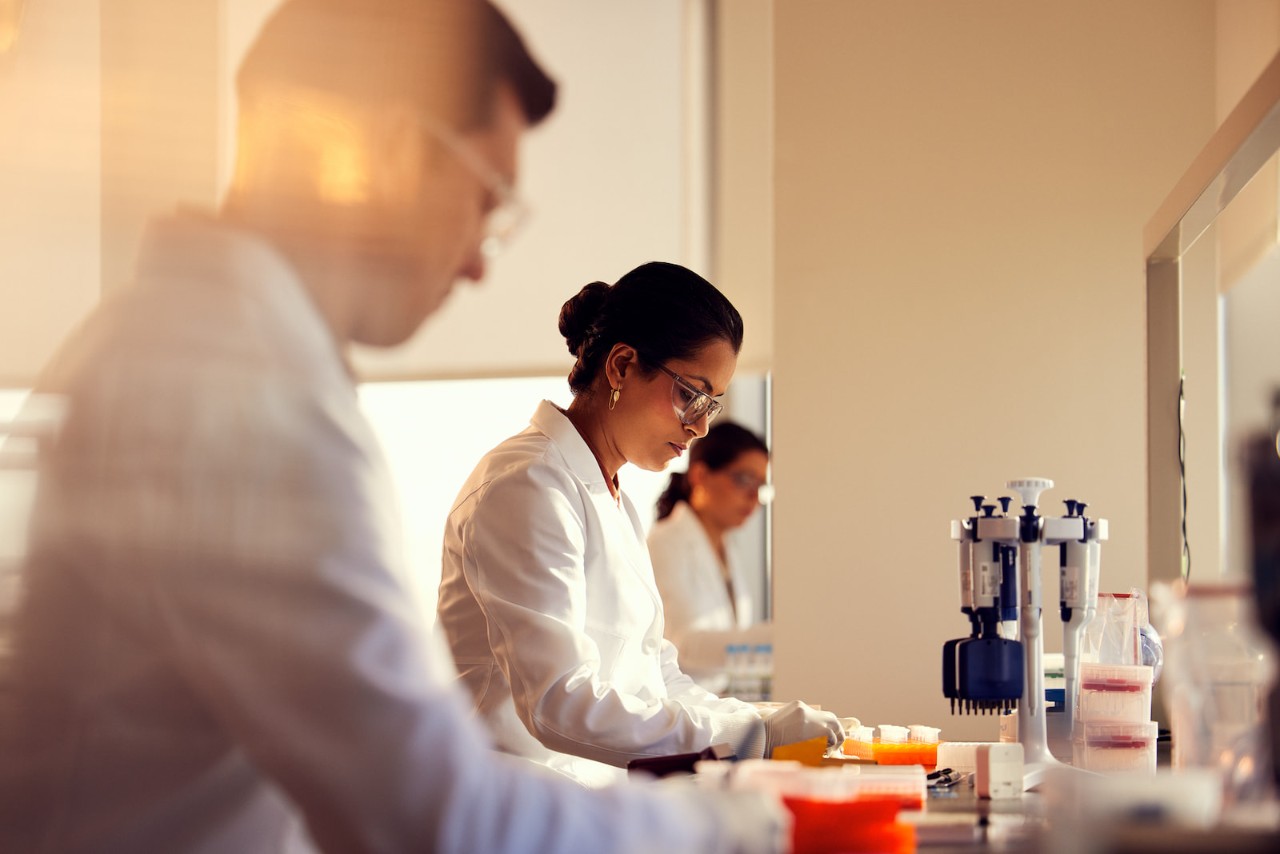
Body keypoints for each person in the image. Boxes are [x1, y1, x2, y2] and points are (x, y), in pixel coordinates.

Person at [0, 2, 790, 852]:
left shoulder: (211, 348)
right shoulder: (237, 394)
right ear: (379, 151)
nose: (480, 261)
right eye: (484, 199)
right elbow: (431, 811)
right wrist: (759, 822)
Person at [436, 262, 845, 788]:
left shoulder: (611, 497)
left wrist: (758, 722)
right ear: (623, 365)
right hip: (505, 804)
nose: (699, 426)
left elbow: (659, 676)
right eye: (690, 394)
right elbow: (557, 702)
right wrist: (749, 739)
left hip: (582, 800)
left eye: (711, 405)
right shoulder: (527, 485)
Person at [649, 421, 774, 694]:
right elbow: (683, 646)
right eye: (743, 479)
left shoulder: (727, 549)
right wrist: (780, 638)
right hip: (676, 708)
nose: (754, 497)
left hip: (712, 708)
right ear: (700, 475)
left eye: (760, 485)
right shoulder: (665, 542)